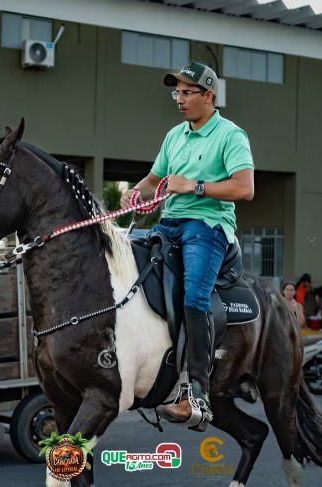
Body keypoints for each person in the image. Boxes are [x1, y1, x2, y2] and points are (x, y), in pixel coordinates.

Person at [120, 61, 254, 426]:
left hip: (207, 227)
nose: (178, 99)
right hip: (167, 224)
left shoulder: (231, 135)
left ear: (209, 95)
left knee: (194, 296)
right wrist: (135, 192)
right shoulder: (174, 135)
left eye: (186, 92)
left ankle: (197, 394)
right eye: (176, 92)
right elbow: (154, 179)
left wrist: (193, 186)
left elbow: (244, 189)